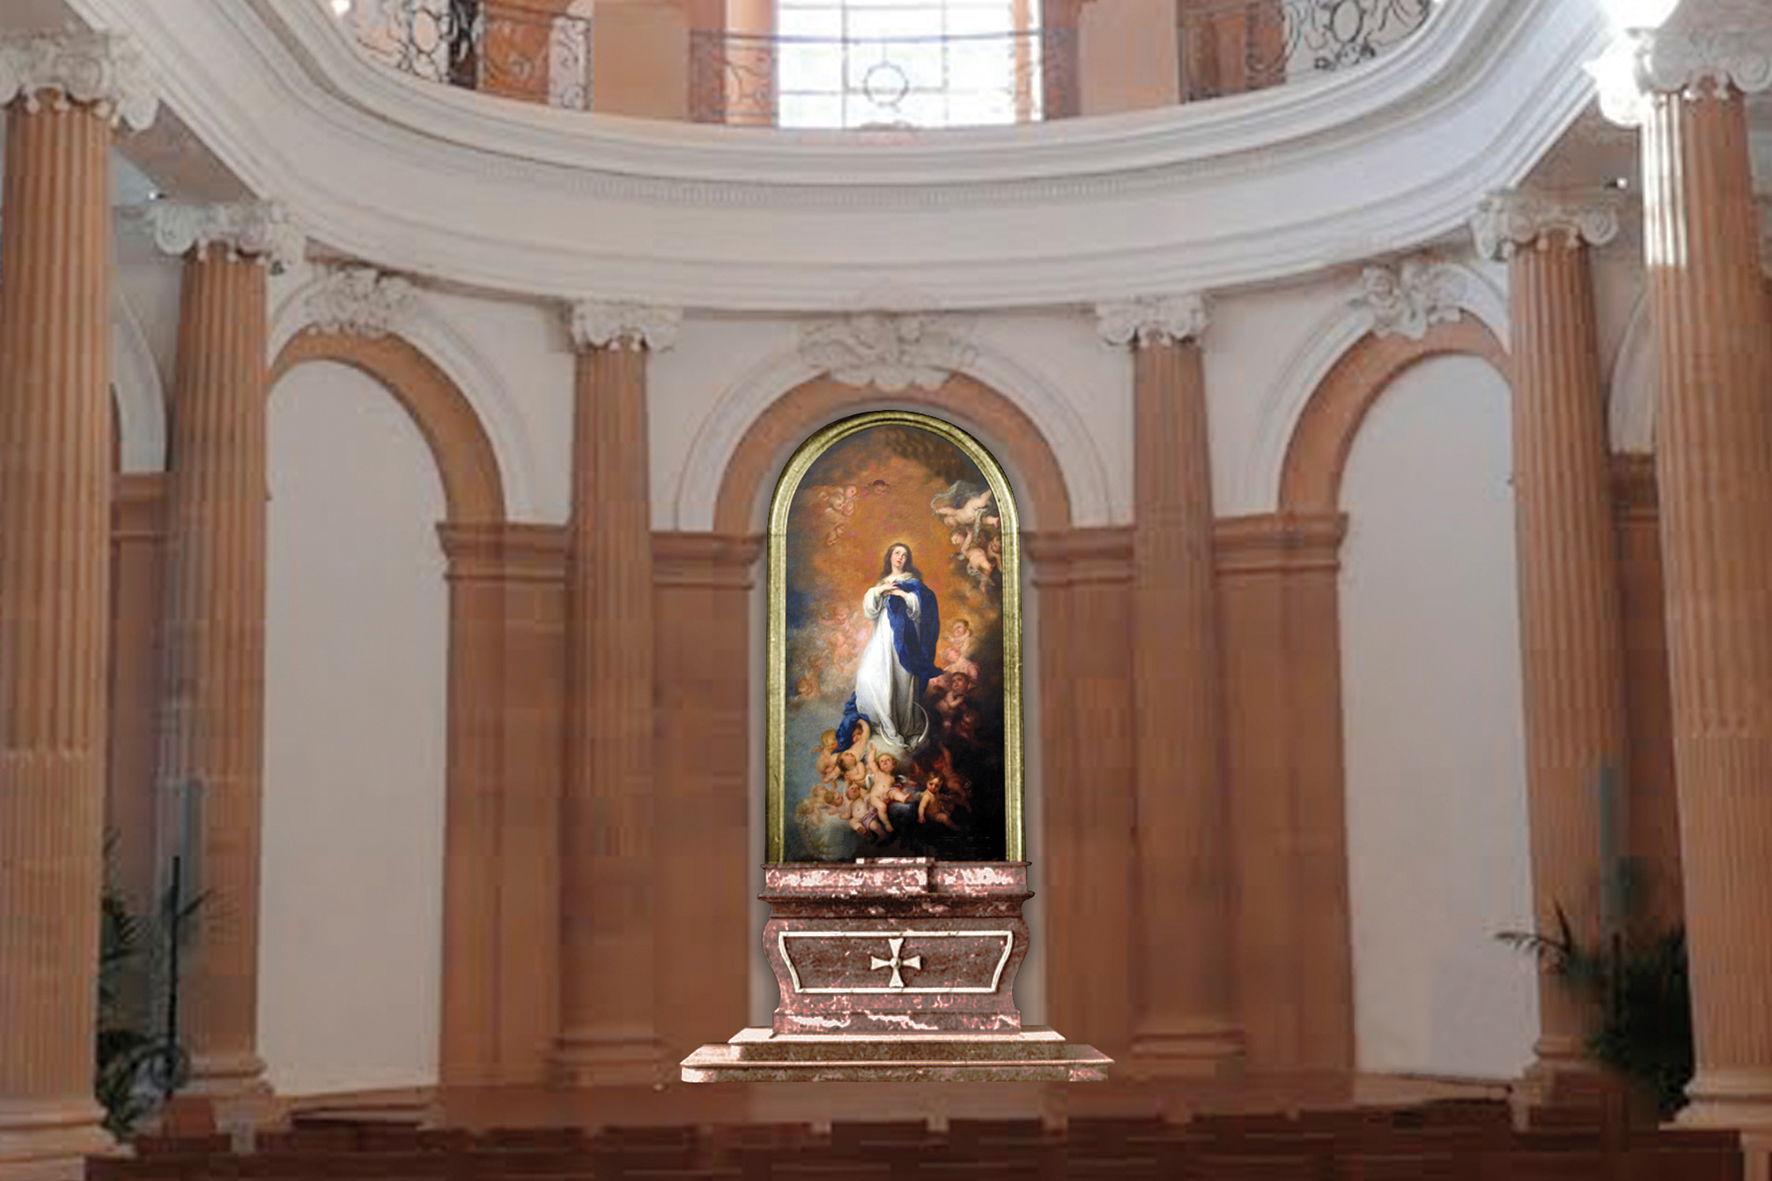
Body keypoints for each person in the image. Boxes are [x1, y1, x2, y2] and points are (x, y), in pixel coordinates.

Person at [838, 542, 941, 760]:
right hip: (881, 637)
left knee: (900, 682)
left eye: (904, 554)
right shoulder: (882, 583)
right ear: (890, 556)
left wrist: (903, 595)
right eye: (897, 553)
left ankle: (898, 727)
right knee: (868, 677)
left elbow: (922, 610)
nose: (900, 557)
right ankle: (882, 724)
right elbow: (870, 611)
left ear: (907, 560)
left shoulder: (913, 583)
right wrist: (881, 590)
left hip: (905, 639)